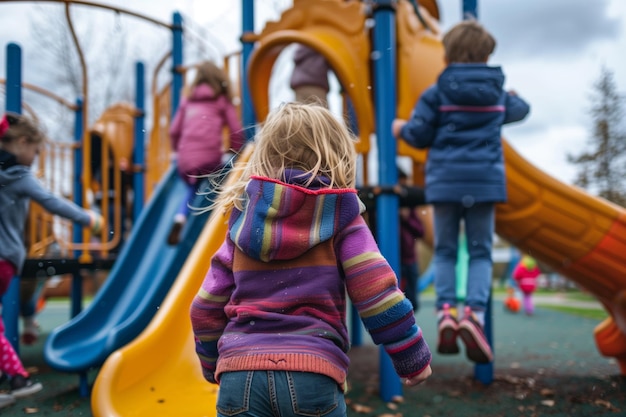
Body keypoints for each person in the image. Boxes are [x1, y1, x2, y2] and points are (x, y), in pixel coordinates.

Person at [190, 103, 432, 417]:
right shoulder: (342, 217)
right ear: (338, 156)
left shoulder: (242, 223)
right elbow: (376, 291)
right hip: (313, 373)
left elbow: (205, 306)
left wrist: (212, 362)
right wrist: (411, 356)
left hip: (240, 375)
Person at [392, 19, 530, 364]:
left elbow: (419, 135)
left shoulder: (436, 93)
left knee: (446, 251)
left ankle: (445, 314)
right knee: (481, 251)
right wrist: (513, 97)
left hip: (446, 182)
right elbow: (523, 109)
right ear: (486, 55)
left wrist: (400, 128)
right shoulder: (497, 95)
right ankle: (475, 316)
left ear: (448, 54)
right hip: (484, 182)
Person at [0, 112, 104, 403]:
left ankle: (17, 379)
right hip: (7, 260)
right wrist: (87, 218)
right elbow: (51, 202)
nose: (36, 157)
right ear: (21, 142)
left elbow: (50, 201)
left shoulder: (10, 175)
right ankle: (16, 378)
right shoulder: (18, 175)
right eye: (36, 150)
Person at [167, 60, 245, 245]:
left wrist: (177, 152)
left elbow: (174, 131)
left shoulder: (187, 100)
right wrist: (234, 150)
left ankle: (180, 217)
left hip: (185, 161)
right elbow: (235, 130)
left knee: (193, 185)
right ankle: (217, 217)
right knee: (223, 175)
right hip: (210, 159)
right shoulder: (220, 99)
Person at [398, 170, 425, 313]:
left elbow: (420, 231)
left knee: (412, 301)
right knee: (393, 301)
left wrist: (407, 218)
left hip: (409, 259)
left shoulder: (409, 205)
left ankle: (408, 328)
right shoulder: (382, 207)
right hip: (389, 258)